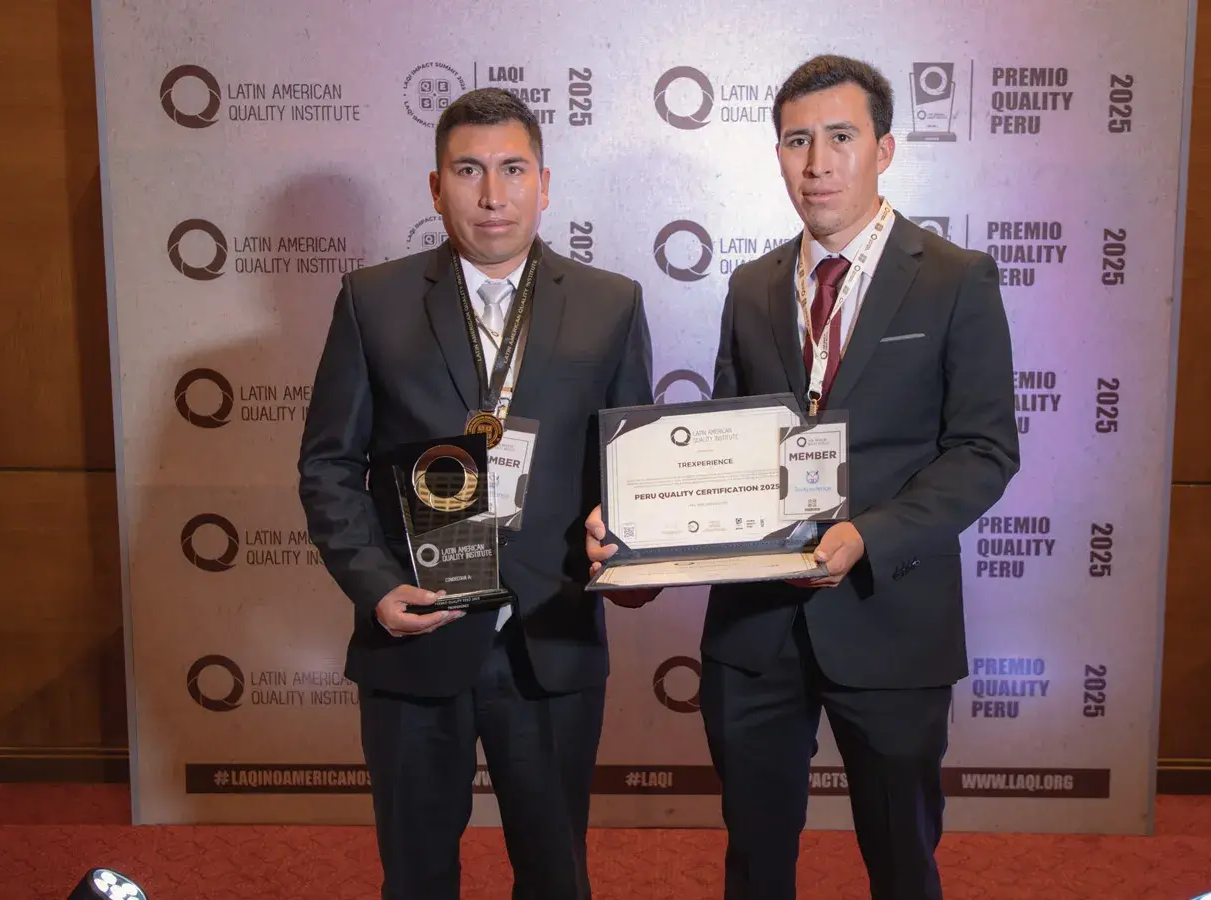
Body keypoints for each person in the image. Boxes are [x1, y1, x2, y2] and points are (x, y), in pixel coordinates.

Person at [588, 55, 1020, 899]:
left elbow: (984, 452)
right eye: (796, 140)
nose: (816, 162)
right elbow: (724, 449)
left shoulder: (955, 279)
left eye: (840, 137)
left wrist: (870, 535)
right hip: (755, 631)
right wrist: (639, 532)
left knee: (902, 862)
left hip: (892, 626)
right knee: (754, 860)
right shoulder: (752, 287)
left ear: (885, 149)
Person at [299, 87, 654, 900]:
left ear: (545, 182)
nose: (492, 196)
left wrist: (636, 545)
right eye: (468, 170)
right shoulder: (372, 300)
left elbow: (629, 470)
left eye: (511, 169)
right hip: (413, 635)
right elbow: (326, 464)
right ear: (435, 187)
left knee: (556, 876)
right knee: (416, 876)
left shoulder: (610, 303)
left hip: (551, 639)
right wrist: (377, 585)